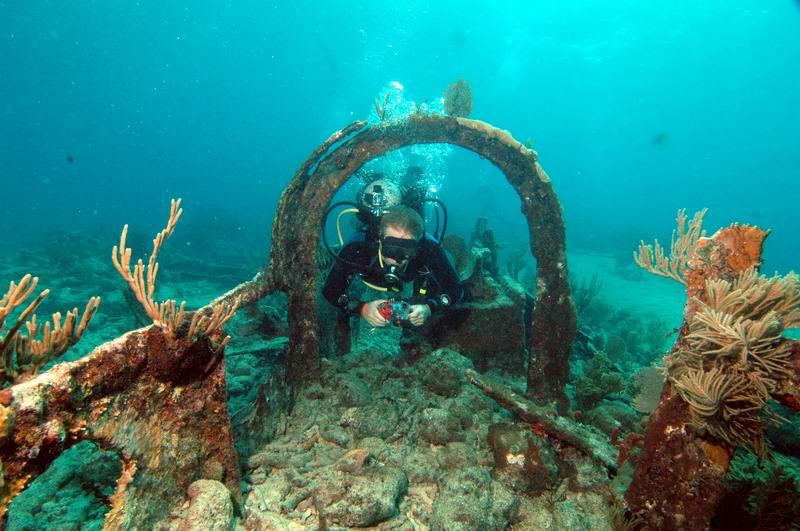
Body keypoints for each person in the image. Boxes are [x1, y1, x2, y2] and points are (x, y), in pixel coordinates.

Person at [322, 204, 462, 353]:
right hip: (368, 273)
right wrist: (362, 308)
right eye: (391, 249)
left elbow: (455, 290)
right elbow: (330, 291)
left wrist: (429, 307)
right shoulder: (358, 248)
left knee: (427, 296)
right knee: (346, 300)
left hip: (415, 279)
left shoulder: (430, 250)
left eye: (407, 250)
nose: (397, 259)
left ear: (418, 245)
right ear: (380, 239)